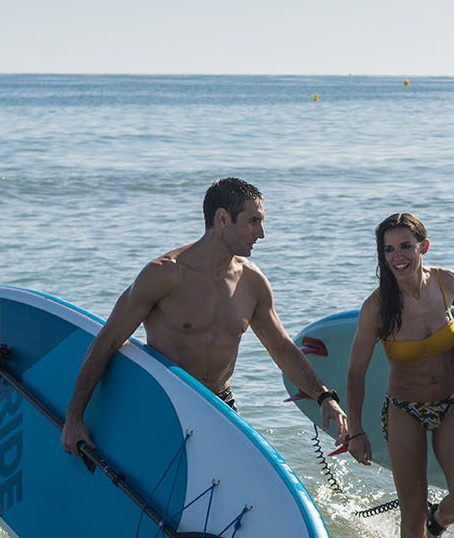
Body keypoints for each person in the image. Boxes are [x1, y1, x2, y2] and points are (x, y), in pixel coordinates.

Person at [60, 177, 348, 461]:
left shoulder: (251, 281)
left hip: (220, 403)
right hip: (168, 403)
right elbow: (108, 342)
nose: (261, 233)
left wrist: (324, 397)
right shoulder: (164, 274)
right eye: (253, 221)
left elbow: (282, 348)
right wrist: (74, 418)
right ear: (222, 218)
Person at [343, 213, 454, 538]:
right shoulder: (377, 307)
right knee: (412, 510)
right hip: (404, 409)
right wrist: (355, 430)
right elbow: (355, 373)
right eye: (388, 250)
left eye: (405, 246)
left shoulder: (446, 282)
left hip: (452, 402)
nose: (397, 257)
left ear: (424, 246)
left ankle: (438, 525)